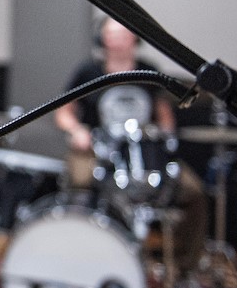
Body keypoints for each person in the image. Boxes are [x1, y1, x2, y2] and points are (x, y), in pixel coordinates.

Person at [54, 17, 208, 270]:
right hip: (98, 150)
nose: (117, 38)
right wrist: (77, 130)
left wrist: (162, 138)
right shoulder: (88, 72)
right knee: (79, 182)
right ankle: (80, 256)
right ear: (101, 38)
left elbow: (164, 116)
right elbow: (63, 112)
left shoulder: (148, 70)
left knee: (193, 192)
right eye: (111, 33)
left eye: (123, 33)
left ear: (134, 38)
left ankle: (180, 268)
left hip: (143, 153)